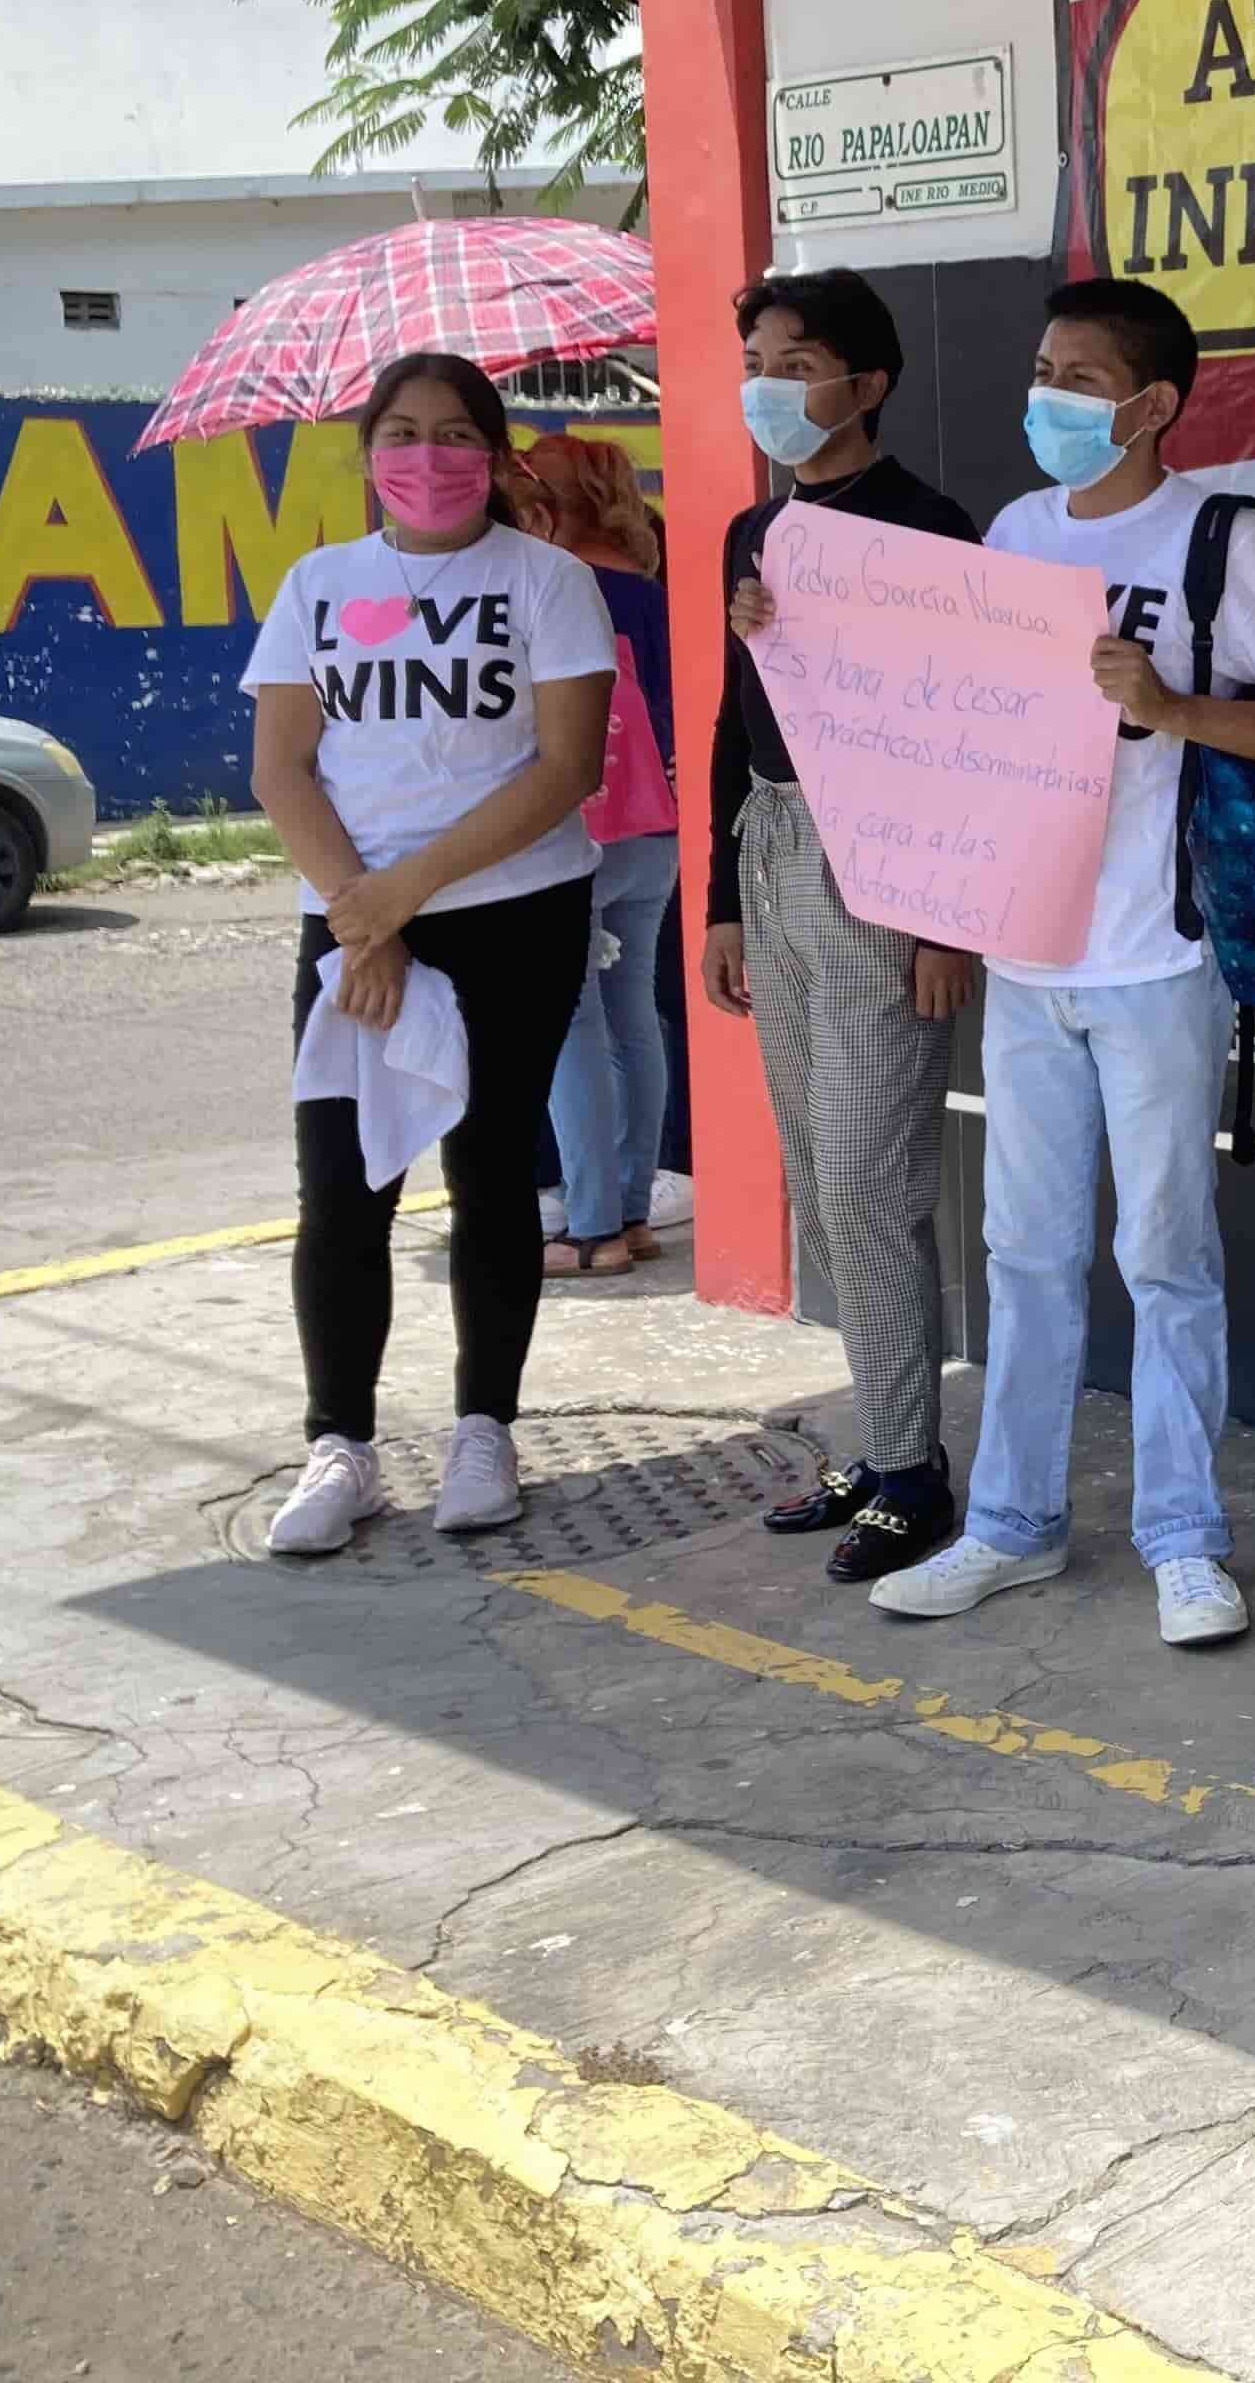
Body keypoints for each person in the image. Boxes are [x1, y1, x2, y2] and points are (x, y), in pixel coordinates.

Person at [825, 278, 1255, 1648]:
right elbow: (944, 720)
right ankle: (1011, 1527)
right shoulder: (1015, 532)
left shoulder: (1216, 541)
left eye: (1080, 376)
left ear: (1154, 404)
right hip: (1029, 952)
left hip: (1157, 956)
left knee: (1165, 1252)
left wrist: (1171, 706)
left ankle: (1185, 1539)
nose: (1048, 396)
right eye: (1044, 369)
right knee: (1026, 1252)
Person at [244, 351, 614, 1553]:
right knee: (343, 1186)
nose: (428, 457)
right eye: (401, 434)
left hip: (513, 912)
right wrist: (363, 909)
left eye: (456, 435)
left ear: (496, 456)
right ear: (367, 457)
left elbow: (565, 770)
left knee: (494, 1173)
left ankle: (483, 1431)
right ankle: (338, 1445)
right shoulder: (317, 583)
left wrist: (403, 895)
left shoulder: (549, 581)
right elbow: (281, 767)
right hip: (352, 912)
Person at [704, 271, 987, 1583]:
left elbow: (963, 736)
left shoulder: (931, 529)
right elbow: (728, 718)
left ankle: (917, 1472)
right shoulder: (750, 535)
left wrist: (945, 922)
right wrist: (718, 900)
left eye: (798, 361)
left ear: (866, 385)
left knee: (873, 1181)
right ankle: (877, 1443)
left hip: (882, 868)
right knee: (818, 1169)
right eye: (756, 358)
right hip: (772, 851)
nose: (771, 385)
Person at [516, 432, 679, 1279]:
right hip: (658, 826)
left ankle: (589, 1227)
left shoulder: (554, 582)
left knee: (569, 1022)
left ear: (550, 501)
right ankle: (631, 1209)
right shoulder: (653, 584)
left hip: (574, 827)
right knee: (633, 1017)